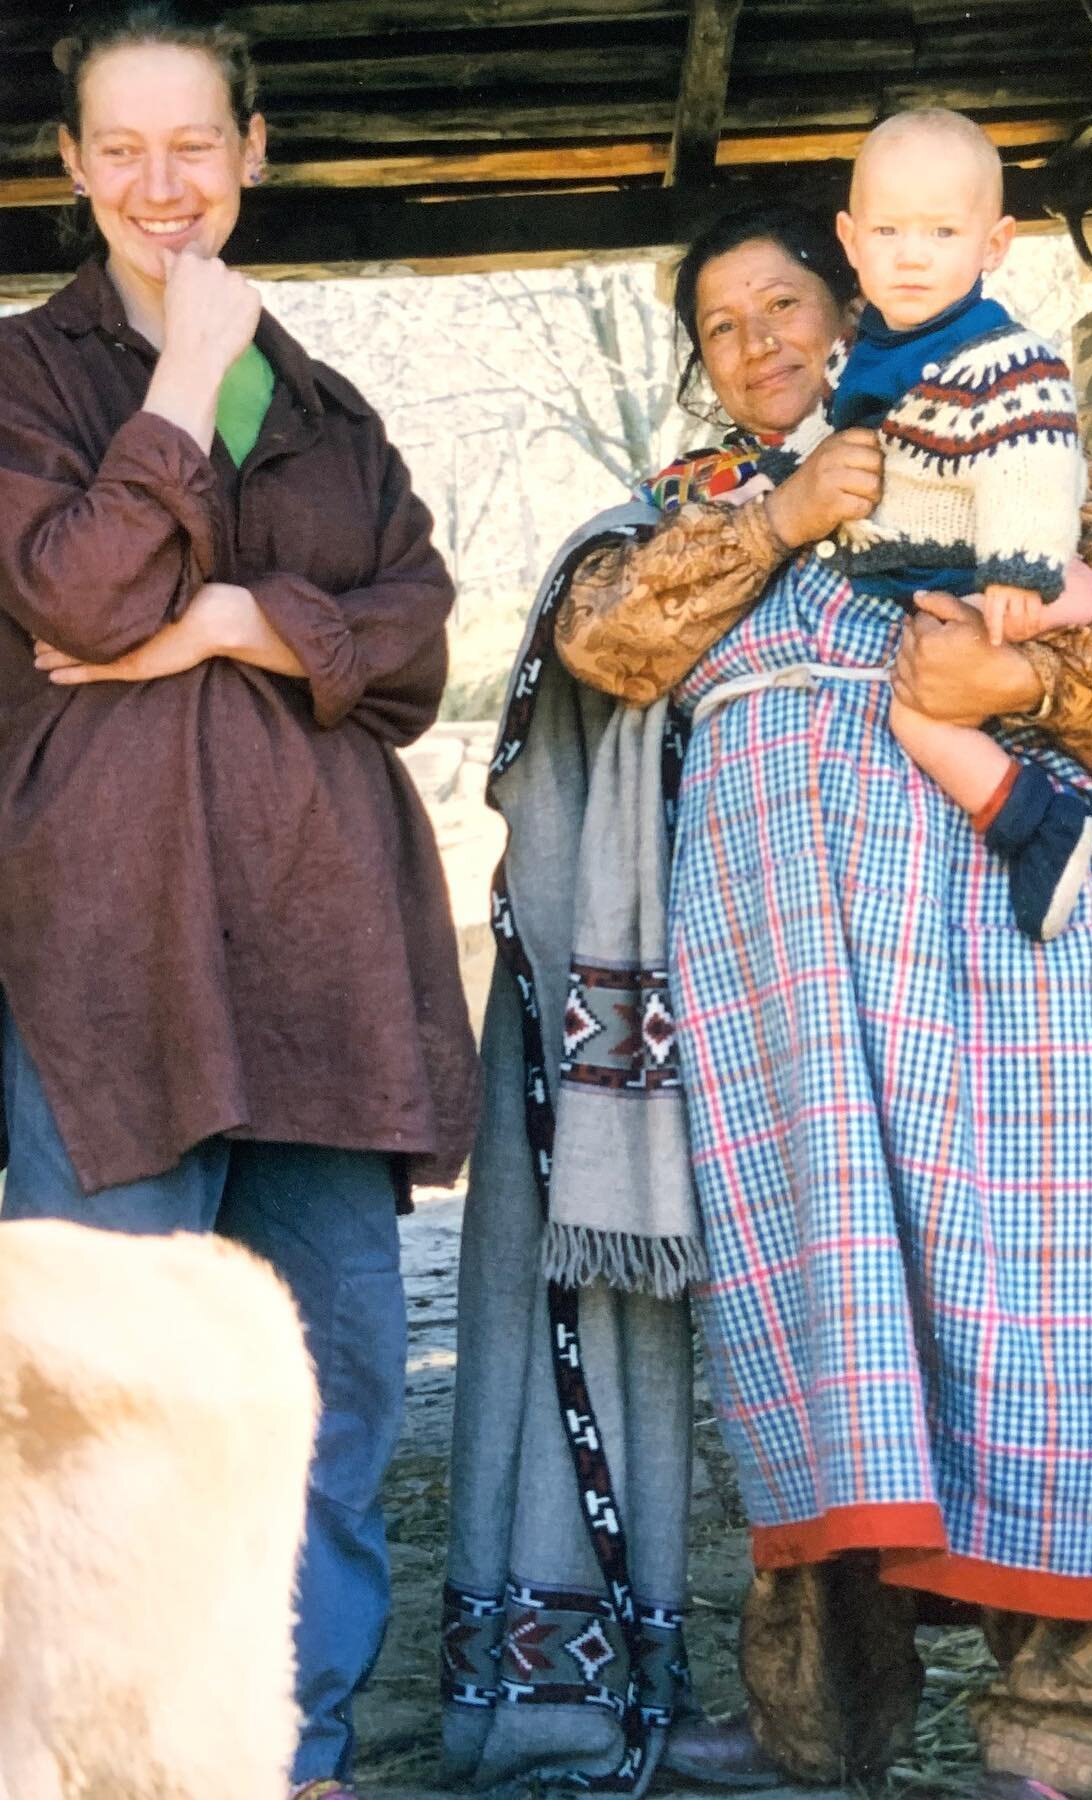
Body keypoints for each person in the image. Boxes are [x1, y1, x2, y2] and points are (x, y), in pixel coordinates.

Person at [447, 198, 1092, 1800]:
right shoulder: (683, 512)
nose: (759, 344)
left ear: (855, 297)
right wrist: (791, 513)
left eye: (784, 305)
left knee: (1061, 1311)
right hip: (782, 995)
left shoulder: (1011, 446)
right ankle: (820, 1729)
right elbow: (607, 644)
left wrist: (1006, 685)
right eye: (721, 326)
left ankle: (1070, 1739)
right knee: (824, 1331)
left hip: (1013, 966)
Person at [0, 11, 475, 1799]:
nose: (161, 184)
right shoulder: (23, 386)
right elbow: (84, 594)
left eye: (193, 144)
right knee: (104, 1408)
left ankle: (305, 1760)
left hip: (322, 959)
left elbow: (421, 630)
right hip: (111, 956)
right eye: (120, 150)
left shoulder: (337, 411)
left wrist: (235, 625)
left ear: (254, 148)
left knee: (324, 1401)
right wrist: (182, 382)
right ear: (70, 170)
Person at [761, 110, 1092, 955]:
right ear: (850, 239)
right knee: (978, 700)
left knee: (920, 711)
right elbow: (841, 438)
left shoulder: (1001, 355)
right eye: (888, 230)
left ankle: (1037, 830)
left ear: (992, 246)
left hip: (985, 572)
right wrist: (790, 481)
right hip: (946, 574)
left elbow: (1034, 453)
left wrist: (1021, 573)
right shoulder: (864, 354)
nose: (912, 254)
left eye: (941, 231)